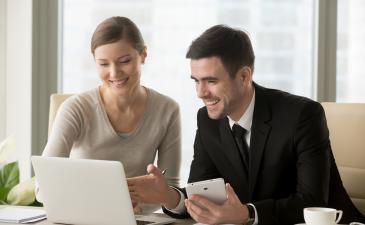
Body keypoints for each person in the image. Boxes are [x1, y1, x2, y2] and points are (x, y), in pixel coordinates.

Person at [127, 25, 365, 224]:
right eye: (196, 81)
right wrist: (167, 196)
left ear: (244, 76)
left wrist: (248, 214)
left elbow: (312, 202)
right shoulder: (208, 120)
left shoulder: (302, 115)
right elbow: (204, 193)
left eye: (211, 81)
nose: (201, 92)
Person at [41, 16, 181, 213]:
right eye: (103, 64)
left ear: (143, 55)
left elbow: (171, 193)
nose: (114, 73)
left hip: (140, 219)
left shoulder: (167, 110)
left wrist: (162, 194)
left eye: (124, 61)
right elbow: (43, 185)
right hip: (84, 216)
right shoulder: (75, 109)